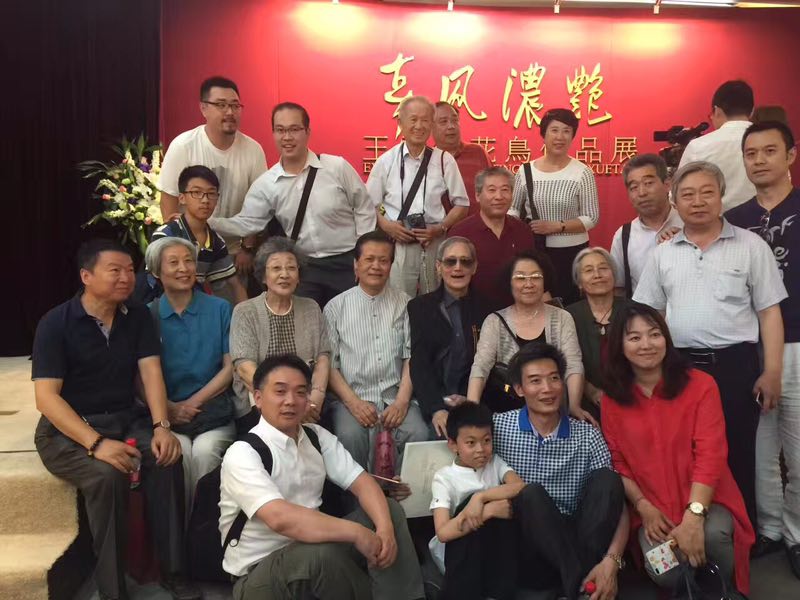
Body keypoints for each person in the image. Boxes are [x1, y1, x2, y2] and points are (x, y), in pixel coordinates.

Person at [31, 239, 195, 600]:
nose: (126, 278)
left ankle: (174, 573)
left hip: (125, 419)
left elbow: (150, 373)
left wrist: (161, 426)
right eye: (115, 270)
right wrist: (97, 443)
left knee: (168, 458)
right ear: (86, 276)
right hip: (68, 431)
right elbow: (46, 399)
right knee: (108, 476)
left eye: (129, 270)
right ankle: (112, 588)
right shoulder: (55, 323)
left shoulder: (136, 316)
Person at [634, 160, 787, 528]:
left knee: (737, 450)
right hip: (680, 366)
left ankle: (742, 536)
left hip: (735, 366)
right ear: (675, 201)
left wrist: (772, 371)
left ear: (721, 197)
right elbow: (650, 315)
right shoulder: (663, 253)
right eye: (688, 195)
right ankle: (688, 529)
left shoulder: (751, 246)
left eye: (707, 192)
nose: (698, 201)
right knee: (683, 450)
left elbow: (769, 312)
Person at [219, 354, 424, 600]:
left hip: (312, 552)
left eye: (300, 392)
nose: (290, 401)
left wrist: (385, 529)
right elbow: (280, 519)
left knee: (387, 510)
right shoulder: (242, 453)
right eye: (280, 391)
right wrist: (356, 532)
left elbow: (362, 483)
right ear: (259, 398)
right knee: (320, 557)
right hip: (259, 576)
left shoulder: (315, 436)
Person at [601, 302, 755, 594]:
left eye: (654, 334)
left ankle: (720, 590)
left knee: (713, 537)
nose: (647, 344)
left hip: (706, 500)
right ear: (619, 346)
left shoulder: (701, 385)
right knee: (664, 570)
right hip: (653, 509)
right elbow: (617, 462)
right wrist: (643, 507)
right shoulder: (612, 400)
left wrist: (694, 517)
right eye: (634, 337)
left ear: (666, 339)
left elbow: (710, 455)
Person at [493, 343, 628, 600]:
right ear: (519, 389)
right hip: (528, 544)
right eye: (535, 381)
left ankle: (572, 583)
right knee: (530, 494)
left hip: (579, 537)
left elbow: (615, 504)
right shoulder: (498, 428)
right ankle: (579, 585)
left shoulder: (587, 435)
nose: (547, 388)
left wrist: (612, 562)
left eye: (554, 378)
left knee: (608, 480)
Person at [210, 102, 376, 307]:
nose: (287, 137)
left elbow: (363, 207)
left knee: (352, 319)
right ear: (273, 134)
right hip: (305, 268)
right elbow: (247, 223)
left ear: (307, 132)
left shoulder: (336, 167)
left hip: (347, 263)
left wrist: (363, 255)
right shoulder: (266, 184)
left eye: (294, 129)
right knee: (306, 321)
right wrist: (207, 223)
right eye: (280, 130)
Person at [725, 120, 800, 574]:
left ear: (790, 155)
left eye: (769, 151)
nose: (758, 161)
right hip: (749, 348)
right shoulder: (734, 218)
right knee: (759, 447)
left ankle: (796, 533)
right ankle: (770, 528)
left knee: (798, 447)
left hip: (798, 344)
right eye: (751, 154)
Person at [323, 231, 428, 472]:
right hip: (352, 397)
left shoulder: (406, 304)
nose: (376, 266)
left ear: (391, 265)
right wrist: (354, 403)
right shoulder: (336, 307)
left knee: (418, 433)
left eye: (383, 260)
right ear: (356, 264)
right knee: (349, 436)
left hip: (395, 396)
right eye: (369, 259)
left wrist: (401, 402)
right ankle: (359, 496)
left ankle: (402, 496)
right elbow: (330, 364)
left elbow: (411, 357)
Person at [144, 237, 236, 510]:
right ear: (156, 272)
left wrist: (193, 402)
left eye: (188, 261)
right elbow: (140, 376)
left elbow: (230, 367)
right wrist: (169, 409)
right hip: (169, 418)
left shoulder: (220, 308)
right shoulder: (148, 315)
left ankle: (204, 528)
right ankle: (181, 532)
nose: (183, 268)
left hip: (213, 414)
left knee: (206, 452)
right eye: (173, 263)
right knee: (178, 452)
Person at [158, 76, 266, 275]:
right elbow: (168, 200)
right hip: (190, 248)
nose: (230, 112)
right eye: (221, 105)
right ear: (203, 108)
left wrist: (247, 248)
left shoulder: (253, 150)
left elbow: (258, 206)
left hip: (234, 251)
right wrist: (176, 248)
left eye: (235, 105)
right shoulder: (183, 145)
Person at [466, 250, 589, 423]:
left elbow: (573, 364)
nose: (529, 283)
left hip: (553, 412)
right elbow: (481, 367)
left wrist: (574, 406)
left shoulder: (562, 317)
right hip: (507, 413)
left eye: (536, 277)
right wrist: (472, 409)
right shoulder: (494, 321)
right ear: (509, 283)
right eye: (520, 278)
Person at [368, 95, 469, 297]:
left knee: (435, 301)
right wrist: (387, 226)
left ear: (431, 124)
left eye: (425, 120)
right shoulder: (386, 161)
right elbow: (368, 205)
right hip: (399, 245)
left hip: (434, 242)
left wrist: (439, 228)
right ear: (400, 123)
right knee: (399, 302)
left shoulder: (444, 160)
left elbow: (462, 204)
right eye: (413, 119)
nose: (419, 126)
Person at [229, 237, 330, 433]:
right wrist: (284, 402)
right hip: (258, 404)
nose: (285, 274)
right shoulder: (245, 311)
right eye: (276, 268)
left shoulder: (311, 308)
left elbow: (323, 358)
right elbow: (244, 367)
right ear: (263, 276)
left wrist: (314, 398)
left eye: (291, 268)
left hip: (307, 402)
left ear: (299, 276)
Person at [429, 402, 525, 600]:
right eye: (471, 443)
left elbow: (521, 487)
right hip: (461, 556)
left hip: (494, 550)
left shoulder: (495, 463)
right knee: (468, 505)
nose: (481, 449)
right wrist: (487, 511)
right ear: (453, 445)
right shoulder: (444, 478)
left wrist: (481, 498)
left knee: (506, 509)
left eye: (487, 440)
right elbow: (443, 533)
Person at [510, 108, 599, 305]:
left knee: (571, 306)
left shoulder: (582, 172)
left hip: (573, 253)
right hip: (536, 251)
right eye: (554, 130)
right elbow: (513, 209)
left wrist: (557, 226)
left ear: (573, 135)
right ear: (544, 134)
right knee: (538, 304)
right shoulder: (525, 171)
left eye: (567, 131)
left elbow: (591, 217)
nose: (560, 137)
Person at [408, 237, 483, 438]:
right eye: (450, 261)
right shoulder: (420, 308)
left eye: (465, 261)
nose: (458, 267)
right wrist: (436, 409)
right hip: (432, 402)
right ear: (438, 267)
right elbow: (420, 363)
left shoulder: (487, 308)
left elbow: (488, 364)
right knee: (435, 435)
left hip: (475, 400)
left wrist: (469, 398)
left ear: (474, 267)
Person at [449, 166, 538, 315]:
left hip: (519, 313)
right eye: (491, 190)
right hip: (472, 314)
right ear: (477, 195)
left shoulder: (523, 230)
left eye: (505, 190)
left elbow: (533, 274)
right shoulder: (460, 233)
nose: (499, 196)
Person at [152, 165, 248, 304]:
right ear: (182, 198)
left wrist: (245, 314)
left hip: (197, 307)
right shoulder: (166, 235)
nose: (205, 200)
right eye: (197, 192)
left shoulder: (216, 241)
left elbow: (234, 285)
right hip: (163, 306)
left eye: (211, 193)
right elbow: (155, 281)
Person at [609, 153, 683, 297]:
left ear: (667, 184)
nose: (642, 193)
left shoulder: (689, 225)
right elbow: (618, 288)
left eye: (648, 183)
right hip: (642, 310)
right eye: (634, 187)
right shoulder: (624, 236)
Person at [678, 80, 756, 212]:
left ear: (717, 110)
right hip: (765, 221)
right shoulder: (771, 143)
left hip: (713, 222)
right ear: (752, 111)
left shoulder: (699, 146)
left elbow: (680, 193)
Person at [566, 247, 625, 420]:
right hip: (582, 404)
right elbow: (562, 363)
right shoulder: (567, 316)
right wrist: (589, 390)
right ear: (579, 282)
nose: (597, 275)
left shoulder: (634, 311)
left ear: (614, 275)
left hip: (631, 400)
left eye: (603, 268)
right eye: (588, 270)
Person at [431, 101, 491, 215]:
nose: (451, 126)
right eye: (443, 121)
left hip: (478, 224)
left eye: (455, 120)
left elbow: (493, 189)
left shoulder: (477, 152)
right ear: (430, 127)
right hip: (442, 226)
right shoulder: (427, 160)